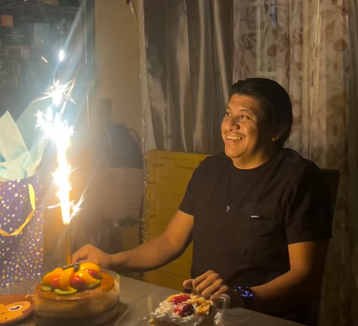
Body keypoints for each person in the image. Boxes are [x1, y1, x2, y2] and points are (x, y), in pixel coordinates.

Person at [73, 78, 332, 325]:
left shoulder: (300, 179)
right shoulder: (209, 170)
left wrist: (240, 296)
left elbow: (306, 276)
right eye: (228, 114)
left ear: (276, 130)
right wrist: (111, 260)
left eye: (245, 117)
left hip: (262, 316)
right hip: (203, 313)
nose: (230, 125)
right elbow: (170, 242)